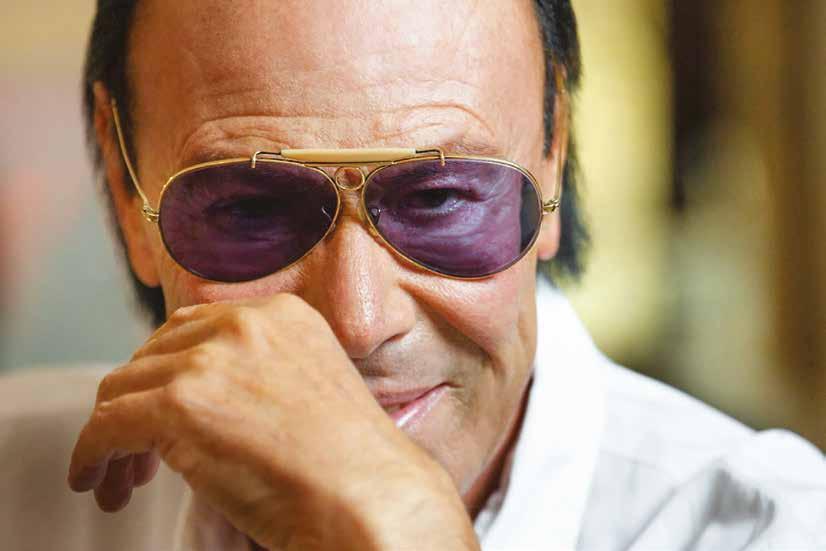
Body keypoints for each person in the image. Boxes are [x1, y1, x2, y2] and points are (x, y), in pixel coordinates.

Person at [63, 1, 825, 550]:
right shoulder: (24, 499)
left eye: (439, 198)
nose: (359, 322)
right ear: (130, 194)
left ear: (552, 147)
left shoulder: (772, 529)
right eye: (252, 207)